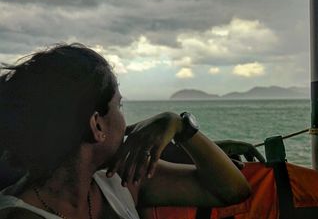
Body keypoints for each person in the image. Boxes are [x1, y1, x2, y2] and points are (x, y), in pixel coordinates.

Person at [0, 43, 251, 219]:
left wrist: (179, 126)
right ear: (97, 125)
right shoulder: (18, 214)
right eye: (119, 105)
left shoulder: (117, 180)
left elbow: (232, 190)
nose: (125, 118)